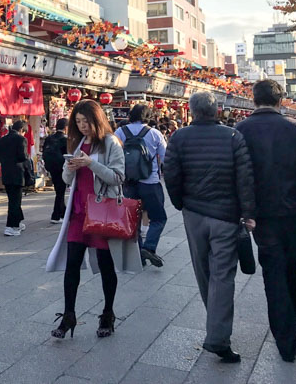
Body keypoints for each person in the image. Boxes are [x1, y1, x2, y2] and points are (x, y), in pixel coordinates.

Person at [235, 80, 296, 362]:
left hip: (261, 215)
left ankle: (284, 336)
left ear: (253, 100)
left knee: (272, 270)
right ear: (280, 100)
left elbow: (235, 175)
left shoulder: (239, 131)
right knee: (292, 268)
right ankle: (291, 324)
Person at [163, 91, 256, 364]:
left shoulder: (179, 137)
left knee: (203, 270)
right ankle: (217, 336)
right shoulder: (233, 136)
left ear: (192, 111)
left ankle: (215, 325)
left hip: (194, 213)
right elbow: (245, 178)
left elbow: (170, 173)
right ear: (217, 110)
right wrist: (248, 212)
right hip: (226, 215)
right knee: (223, 275)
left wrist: (180, 203)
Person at [45, 99, 140, 340]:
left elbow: (118, 177)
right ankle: (69, 315)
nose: (82, 126)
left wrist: (91, 163)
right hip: (78, 211)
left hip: (101, 212)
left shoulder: (110, 143)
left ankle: (107, 313)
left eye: (85, 121)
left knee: (106, 265)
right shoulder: (77, 143)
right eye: (78, 122)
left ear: (96, 120)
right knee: (72, 264)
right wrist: (71, 166)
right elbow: (68, 180)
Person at [115, 104, 168, 268]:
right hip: (150, 182)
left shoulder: (120, 132)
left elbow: (112, 155)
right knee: (159, 218)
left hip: (128, 182)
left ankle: (139, 255)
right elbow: (166, 158)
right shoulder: (155, 134)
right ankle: (149, 247)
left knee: (134, 219)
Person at [0, 119, 29, 236]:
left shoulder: (1, 140)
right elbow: (23, 157)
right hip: (17, 172)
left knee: (13, 199)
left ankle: (18, 221)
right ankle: (11, 226)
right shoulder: (21, 139)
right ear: (21, 130)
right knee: (15, 201)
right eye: (24, 132)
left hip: (6, 172)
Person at [42, 118, 69, 224]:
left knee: (59, 190)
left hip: (51, 167)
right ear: (66, 128)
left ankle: (64, 213)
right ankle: (56, 215)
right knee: (60, 192)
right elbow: (67, 155)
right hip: (61, 167)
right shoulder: (64, 140)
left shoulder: (49, 138)